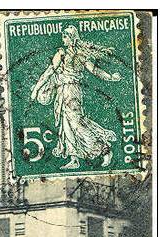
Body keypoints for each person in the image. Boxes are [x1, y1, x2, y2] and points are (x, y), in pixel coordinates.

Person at [30, 25, 120, 170]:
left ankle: (104, 149)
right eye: (63, 36)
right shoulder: (62, 53)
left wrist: (110, 77)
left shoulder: (76, 54)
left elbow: (94, 70)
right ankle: (74, 159)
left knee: (76, 123)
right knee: (66, 125)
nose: (63, 39)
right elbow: (49, 72)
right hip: (64, 90)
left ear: (71, 37)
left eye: (65, 36)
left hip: (71, 91)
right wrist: (36, 88)